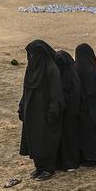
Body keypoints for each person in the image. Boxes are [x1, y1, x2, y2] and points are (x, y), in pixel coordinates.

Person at [19, 40, 65, 181]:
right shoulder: (31, 69)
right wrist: (22, 106)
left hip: (45, 113)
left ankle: (49, 168)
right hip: (32, 111)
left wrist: (52, 113)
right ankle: (39, 167)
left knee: (46, 140)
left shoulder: (51, 69)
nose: (31, 58)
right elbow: (26, 89)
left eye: (34, 55)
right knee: (33, 140)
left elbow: (56, 94)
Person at [75, 43, 96, 165]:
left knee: (88, 133)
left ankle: (90, 157)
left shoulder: (79, 69)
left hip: (86, 107)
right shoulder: (91, 67)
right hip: (95, 107)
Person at [54, 50, 82, 172]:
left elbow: (73, 94)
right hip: (65, 111)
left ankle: (70, 162)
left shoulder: (70, 75)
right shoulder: (68, 72)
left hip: (70, 111)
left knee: (69, 137)